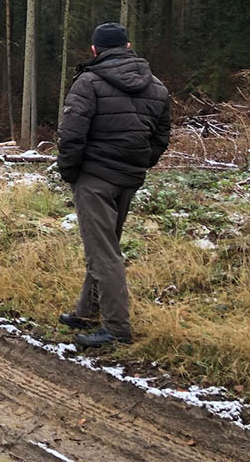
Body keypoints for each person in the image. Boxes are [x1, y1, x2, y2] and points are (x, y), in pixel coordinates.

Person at [57, 22, 170, 349]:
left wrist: (71, 173)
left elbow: (71, 134)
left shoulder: (88, 82)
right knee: (104, 247)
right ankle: (87, 311)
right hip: (128, 178)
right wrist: (141, 163)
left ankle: (117, 328)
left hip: (94, 178)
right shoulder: (158, 87)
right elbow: (161, 137)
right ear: (129, 46)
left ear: (95, 50)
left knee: (104, 254)